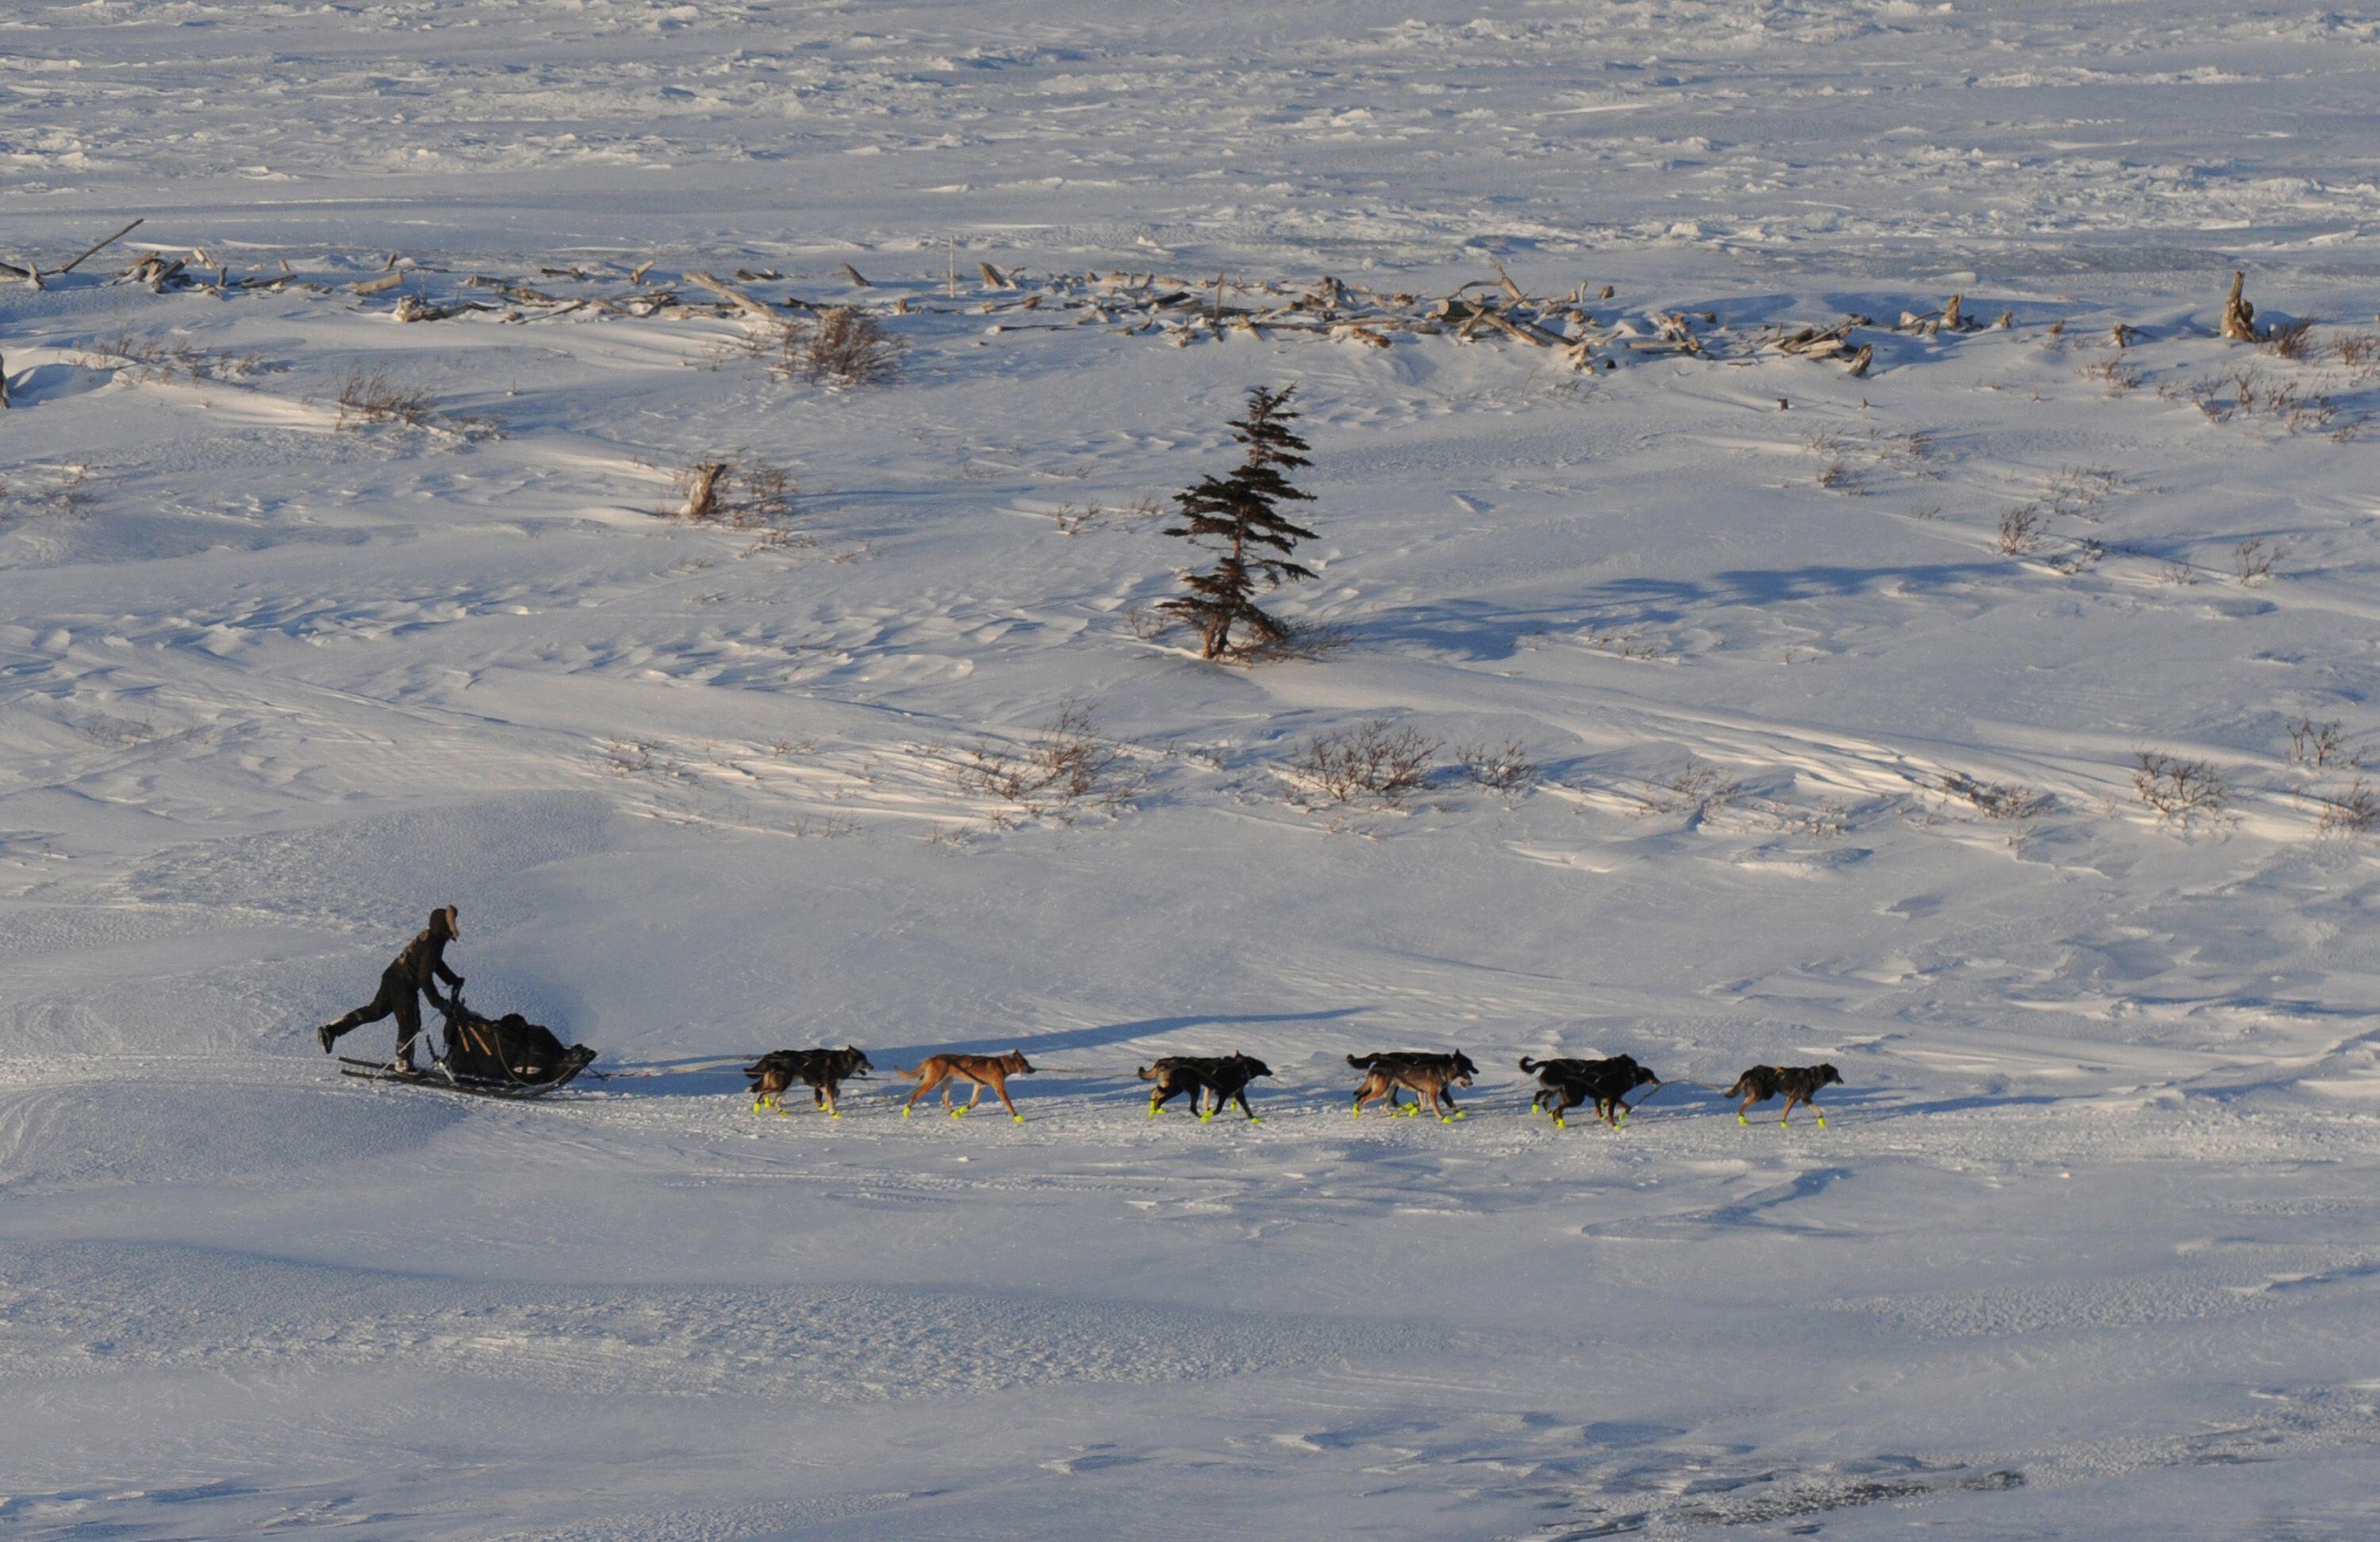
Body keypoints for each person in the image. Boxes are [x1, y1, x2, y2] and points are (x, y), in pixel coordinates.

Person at [317, 905, 464, 1070]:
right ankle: (403, 1063)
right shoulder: (433, 943)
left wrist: (452, 979)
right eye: (450, 927)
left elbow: (433, 964)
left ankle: (331, 1030)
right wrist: (438, 1002)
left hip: (392, 976)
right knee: (410, 1023)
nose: (452, 932)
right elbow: (424, 977)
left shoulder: (431, 938)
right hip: (403, 983)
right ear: (444, 927)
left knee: (375, 1011)